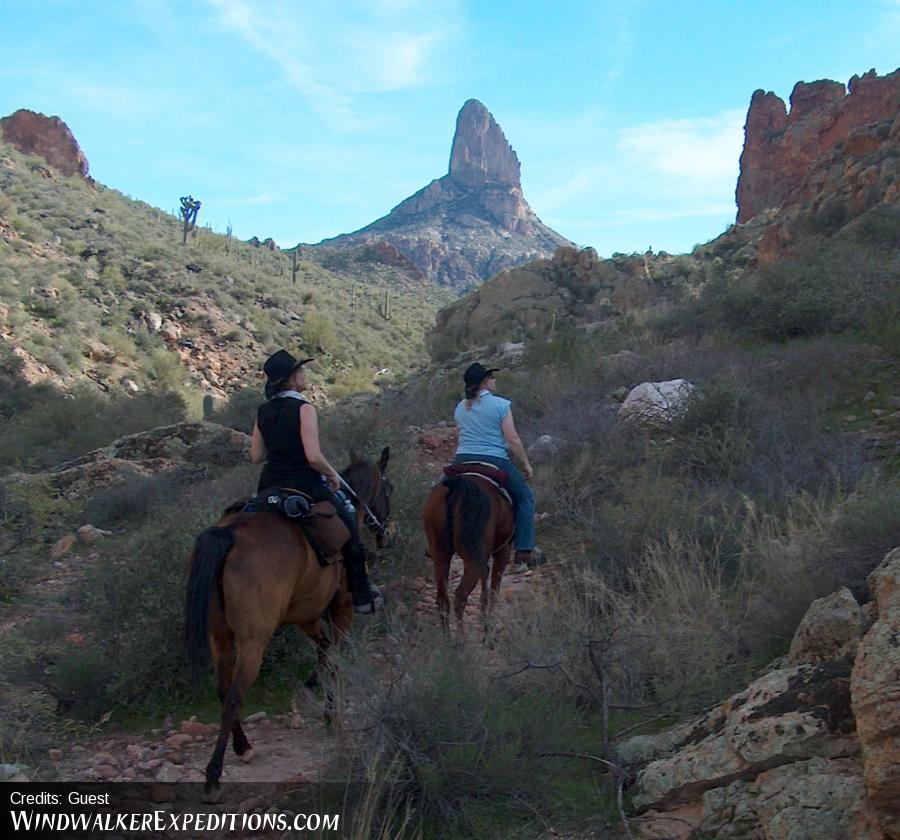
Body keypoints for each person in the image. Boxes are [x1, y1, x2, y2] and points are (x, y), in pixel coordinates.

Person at [250, 350, 383, 614]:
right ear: (290, 379)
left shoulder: (264, 410)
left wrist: (278, 443)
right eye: (300, 371)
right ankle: (361, 595)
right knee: (351, 530)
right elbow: (313, 456)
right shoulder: (304, 408)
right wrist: (332, 474)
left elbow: (256, 456)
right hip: (305, 483)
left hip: (269, 485)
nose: (304, 374)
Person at [451, 362, 538, 573]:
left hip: (461, 459)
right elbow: (512, 439)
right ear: (485, 382)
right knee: (525, 498)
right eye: (491, 377)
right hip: (494, 459)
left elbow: (461, 434)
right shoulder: (501, 405)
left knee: (444, 494)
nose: (494, 380)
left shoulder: (460, 406)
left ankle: (436, 543)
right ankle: (523, 552)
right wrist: (525, 463)